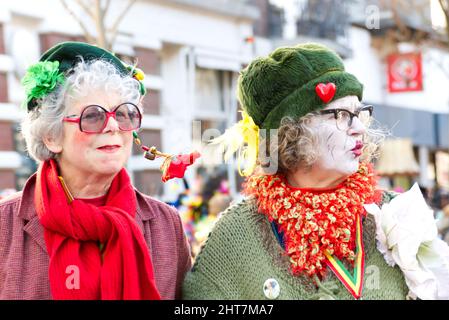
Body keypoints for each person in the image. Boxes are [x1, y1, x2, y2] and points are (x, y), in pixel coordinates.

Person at [183, 43, 428, 300]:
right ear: (292, 131)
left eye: (358, 114)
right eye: (341, 115)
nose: (359, 128)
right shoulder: (234, 235)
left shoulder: (396, 215)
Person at [0, 42, 191, 300]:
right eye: (92, 116)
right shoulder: (5, 226)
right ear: (51, 136)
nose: (113, 125)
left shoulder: (167, 225)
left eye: (124, 114)